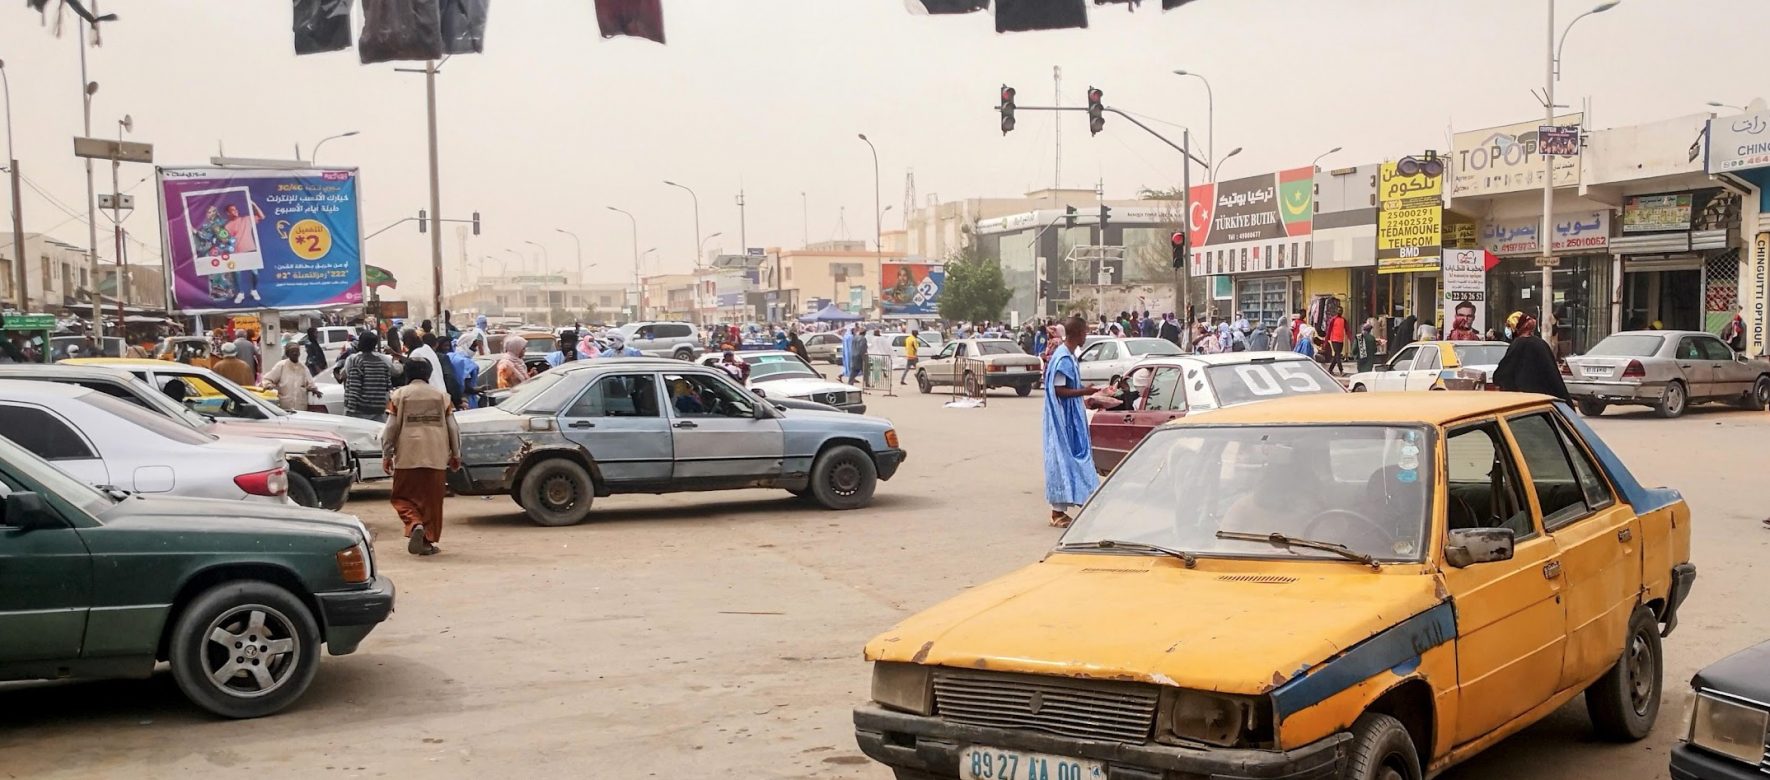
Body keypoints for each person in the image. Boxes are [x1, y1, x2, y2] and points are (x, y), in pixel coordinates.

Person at [381, 358, 459, 557]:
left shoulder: (399, 395)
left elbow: (390, 428)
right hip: (435, 456)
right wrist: (456, 453)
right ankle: (426, 541)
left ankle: (414, 523)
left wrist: (387, 454)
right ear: (429, 374)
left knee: (402, 497)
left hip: (407, 456)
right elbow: (452, 427)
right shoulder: (442, 397)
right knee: (432, 502)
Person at [1043, 316, 1103, 528]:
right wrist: (1085, 391)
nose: (1086, 335)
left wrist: (1086, 392)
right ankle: (1059, 512)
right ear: (1078, 333)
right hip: (1064, 420)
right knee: (1068, 460)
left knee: (1070, 461)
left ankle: (1066, 509)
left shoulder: (1067, 356)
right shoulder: (1063, 359)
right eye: (1085, 332)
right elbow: (1059, 390)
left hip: (1071, 416)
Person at [1492, 312, 1569, 400]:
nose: (1507, 329)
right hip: (1546, 399)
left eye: (1509, 326)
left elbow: (1502, 373)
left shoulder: (1518, 344)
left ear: (1517, 327)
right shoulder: (1541, 343)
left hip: (1526, 400)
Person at [341, 331, 396, 422]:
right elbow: (388, 387)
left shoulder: (357, 361)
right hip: (378, 412)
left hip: (361, 413)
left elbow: (354, 389)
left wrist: (349, 411)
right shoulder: (382, 362)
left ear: (361, 343)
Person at [224, 202, 266, 304]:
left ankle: (254, 290)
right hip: (237, 252)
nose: (236, 211)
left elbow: (262, 216)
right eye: (233, 210)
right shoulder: (228, 226)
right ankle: (240, 293)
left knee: (255, 273)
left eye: (236, 209)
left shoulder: (246, 219)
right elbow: (226, 240)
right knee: (237, 274)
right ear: (228, 213)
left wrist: (254, 205)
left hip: (250, 250)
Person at [263, 344, 320, 412]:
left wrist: (313, 389)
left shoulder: (303, 368)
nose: (295, 353)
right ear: (287, 354)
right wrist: (269, 385)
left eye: (297, 351)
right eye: (292, 351)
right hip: (284, 407)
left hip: (300, 408)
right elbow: (267, 379)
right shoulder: (281, 365)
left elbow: (310, 384)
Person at [448, 333, 482, 409]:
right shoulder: (465, 362)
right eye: (473, 346)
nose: (475, 349)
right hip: (466, 401)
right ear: (466, 344)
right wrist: (479, 389)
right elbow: (466, 388)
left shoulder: (450, 356)